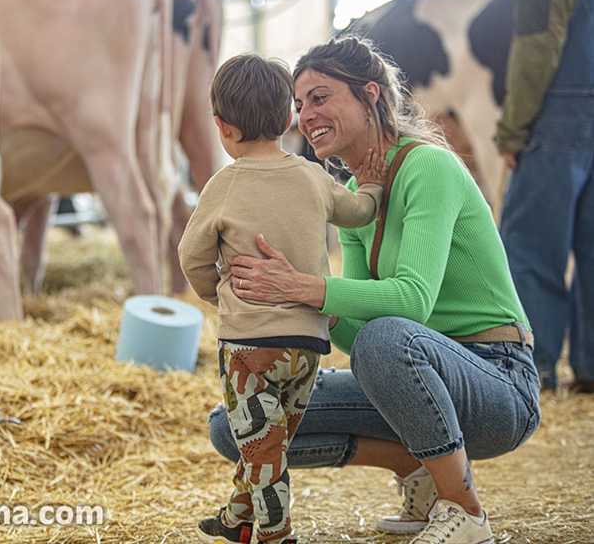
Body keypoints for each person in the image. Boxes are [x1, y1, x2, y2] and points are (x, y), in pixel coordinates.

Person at [208, 35, 541, 544]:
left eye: (320, 97)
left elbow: (411, 302)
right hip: (417, 375)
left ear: (369, 95)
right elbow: (355, 338)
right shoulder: (354, 199)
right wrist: (286, 300)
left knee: (388, 339)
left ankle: (465, 511)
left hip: (497, 382)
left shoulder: (429, 167)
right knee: (233, 425)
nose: (306, 116)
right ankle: (417, 465)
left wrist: (308, 286)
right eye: (299, 105)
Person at [178, 53, 387, 544]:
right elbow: (358, 212)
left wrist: (221, 296)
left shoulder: (223, 184)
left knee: (262, 447)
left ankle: (276, 533)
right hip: (308, 347)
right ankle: (237, 517)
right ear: (289, 118)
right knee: (270, 441)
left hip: (250, 348)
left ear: (221, 127)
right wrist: (375, 185)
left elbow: (191, 257)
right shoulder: (313, 175)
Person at [495, 0, 594, 393]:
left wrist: (514, 129)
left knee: (532, 250)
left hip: (557, 117)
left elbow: (539, 43)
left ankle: (536, 371)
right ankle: (589, 370)